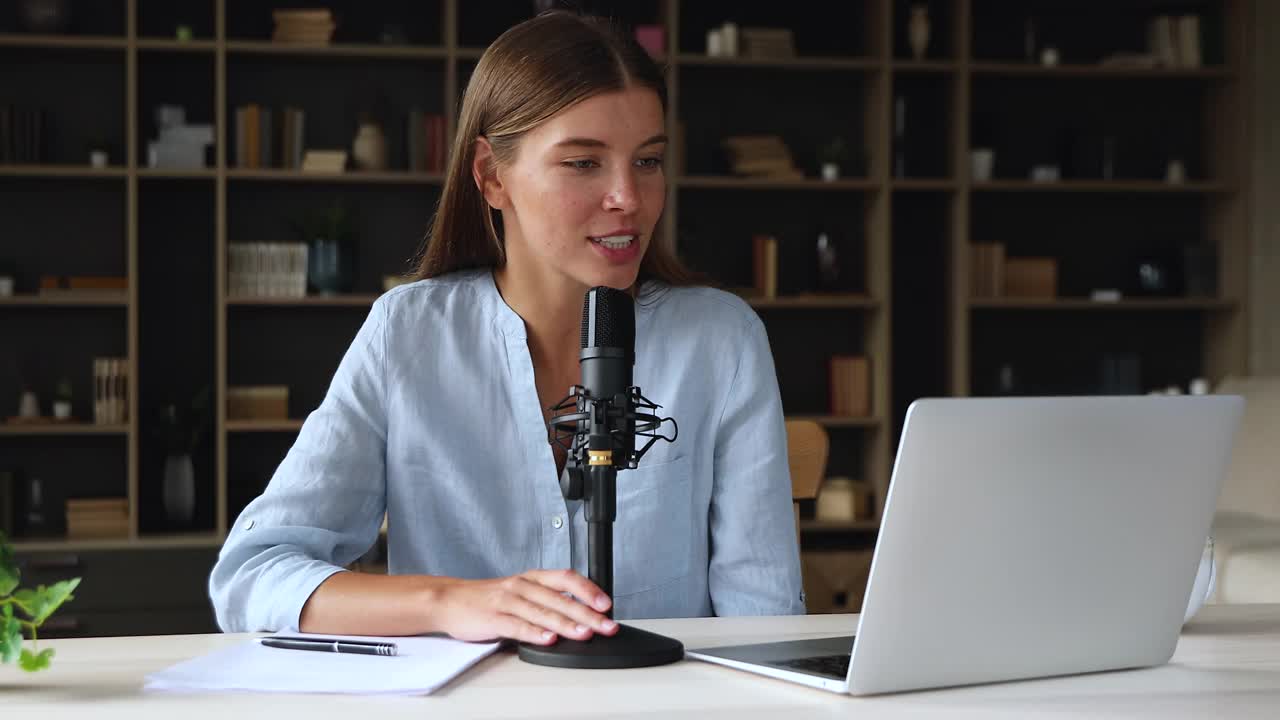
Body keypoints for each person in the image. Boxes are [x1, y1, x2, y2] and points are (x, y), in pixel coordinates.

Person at [208, 10, 806, 646]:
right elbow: (252, 576)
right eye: (583, 163)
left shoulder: (722, 341)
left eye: (649, 161)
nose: (628, 197)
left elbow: (764, 622)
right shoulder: (407, 335)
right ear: (492, 176)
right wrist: (449, 603)